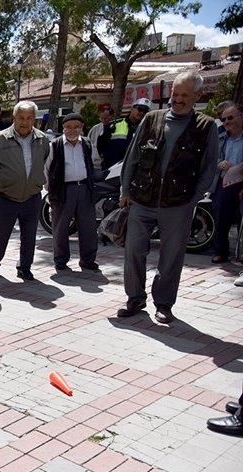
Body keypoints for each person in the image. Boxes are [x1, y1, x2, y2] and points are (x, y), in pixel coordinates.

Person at [116, 72, 218, 324]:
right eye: (175, 94)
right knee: (133, 251)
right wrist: (125, 191)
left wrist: (192, 200)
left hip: (178, 204)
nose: (178, 100)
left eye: (185, 95)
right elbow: (132, 158)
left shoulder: (206, 127)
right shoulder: (152, 119)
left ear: (197, 96)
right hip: (142, 199)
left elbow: (209, 168)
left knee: (171, 257)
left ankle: (163, 303)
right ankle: (135, 298)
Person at [0, 100, 50, 281]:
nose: (25, 121)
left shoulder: (42, 139)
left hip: (32, 196)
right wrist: (4, 180)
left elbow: (44, 161)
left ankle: (25, 267)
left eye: (29, 117)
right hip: (5, 196)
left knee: (29, 236)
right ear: (14, 117)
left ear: (34, 119)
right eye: (21, 117)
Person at [44, 113, 100, 272]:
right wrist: (50, 191)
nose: (72, 130)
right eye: (68, 127)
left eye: (76, 127)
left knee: (88, 227)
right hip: (63, 191)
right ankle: (61, 260)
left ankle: (88, 260)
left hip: (84, 189)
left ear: (82, 128)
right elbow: (46, 169)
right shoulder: (54, 145)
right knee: (60, 227)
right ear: (63, 128)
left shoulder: (87, 144)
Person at [211, 103, 243, 264]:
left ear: (241, 117)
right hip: (224, 182)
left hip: (242, 182)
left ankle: (241, 253)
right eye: (223, 119)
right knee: (221, 217)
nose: (226, 122)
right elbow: (212, 159)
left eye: (230, 118)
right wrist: (220, 164)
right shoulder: (221, 137)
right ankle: (221, 252)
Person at [98, 97, 150, 170]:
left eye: (145, 111)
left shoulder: (146, 130)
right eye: (140, 109)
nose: (142, 113)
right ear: (132, 108)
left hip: (133, 171)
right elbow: (100, 146)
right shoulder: (113, 125)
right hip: (112, 170)